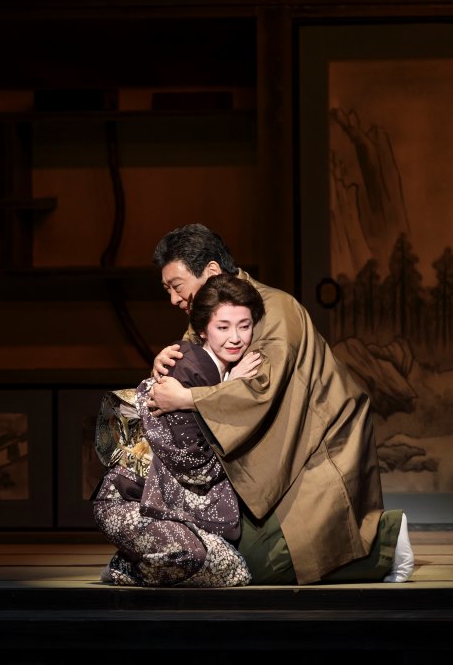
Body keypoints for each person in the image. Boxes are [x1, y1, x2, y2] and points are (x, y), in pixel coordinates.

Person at [148, 223, 415, 585]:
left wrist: (188, 397)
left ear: (211, 271)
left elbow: (261, 389)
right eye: (167, 290)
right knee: (218, 552)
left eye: (177, 286)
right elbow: (196, 370)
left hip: (317, 446)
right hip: (276, 448)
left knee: (253, 565)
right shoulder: (208, 314)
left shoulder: (274, 310)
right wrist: (165, 364)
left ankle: (385, 541)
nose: (174, 300)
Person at [93, 273, 265, 587]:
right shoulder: (187, 367)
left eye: (244, 326)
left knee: (231, 567)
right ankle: (124, 568)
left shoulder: (221, 371)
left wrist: (228, 384)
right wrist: (230, 388)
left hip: (164, 504)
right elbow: (194, 466)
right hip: (128, 501)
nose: (236, 338)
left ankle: (141, 559)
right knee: (201, 559)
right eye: (223, 327)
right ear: (202, 330)